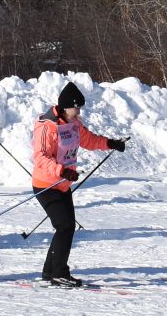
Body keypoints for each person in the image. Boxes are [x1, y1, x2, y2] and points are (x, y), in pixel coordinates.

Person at [30, 83, 126, 287]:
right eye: (76, 108)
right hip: (46, 184)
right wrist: (61, 171)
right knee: (65, 225)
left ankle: (50, 271)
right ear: (66, 107)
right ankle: (59, 273)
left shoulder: (74, 124)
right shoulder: (47, 126)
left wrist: (111, 143)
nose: (79, 111)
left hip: (63, 184)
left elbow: (88, 140)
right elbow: (40, 157)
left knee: (65, 227)